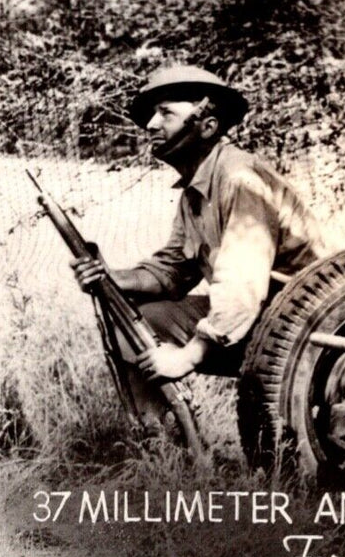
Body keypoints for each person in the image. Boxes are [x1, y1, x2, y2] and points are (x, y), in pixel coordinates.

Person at [70, 65, 326, 399]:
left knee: (150, 323)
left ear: (207, 127)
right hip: (269, 317)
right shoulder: (197, 189)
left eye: (166, 114)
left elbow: (241, 286)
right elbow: (174, 269)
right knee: (134, 319)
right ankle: (159, 446)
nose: (150, 125)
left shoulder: (238, 178)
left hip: (309, 327)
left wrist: (188, 356)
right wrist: (112, 278)